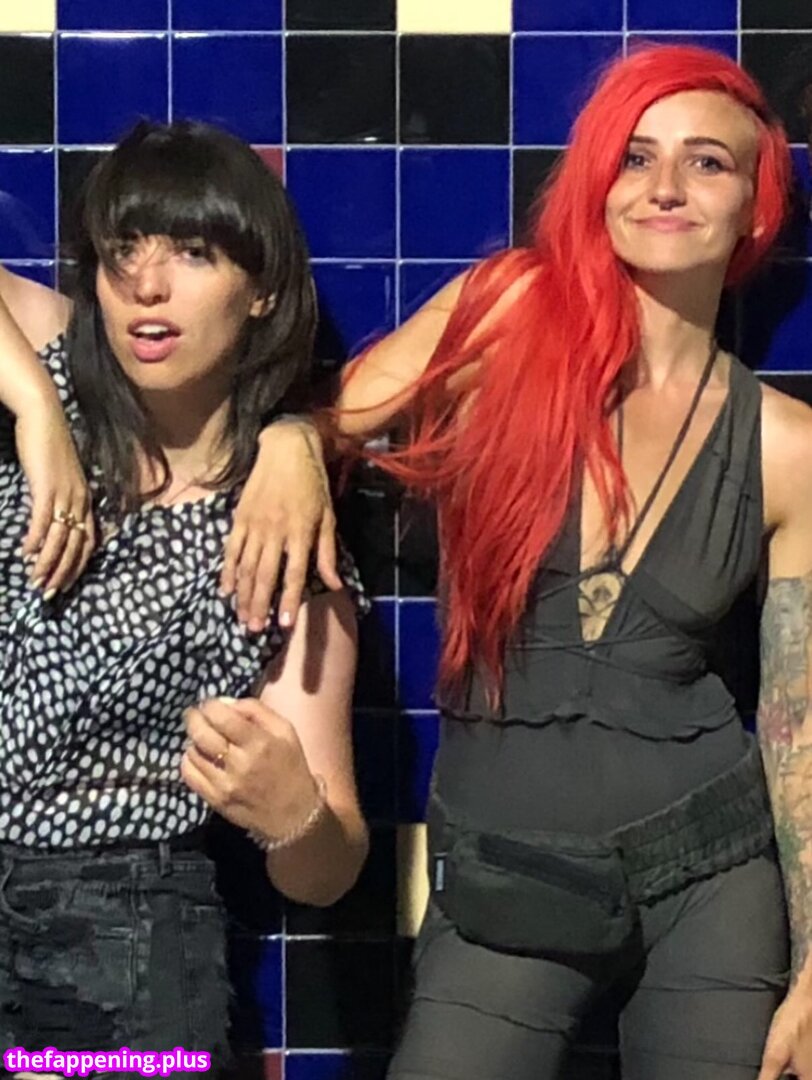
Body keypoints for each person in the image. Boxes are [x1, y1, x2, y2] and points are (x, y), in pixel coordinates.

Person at [220, 44, 812, 1080]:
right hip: (507, 877)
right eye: (634, 157)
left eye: (707, 162)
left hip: (711, 876)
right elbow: (332, 422)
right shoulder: (509, 312)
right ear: (598, 185)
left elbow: (796, 728)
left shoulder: (785, 447)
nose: (665, 186)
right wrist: (287, 442)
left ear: (754, 208)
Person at [0, 119, 368, 1066]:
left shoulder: (280, 536)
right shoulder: (49, 374)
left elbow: (330, 867)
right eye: (125, 249)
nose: (147, 285)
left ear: (262, 290)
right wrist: (34, 414)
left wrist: (292, 814)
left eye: (194, 253)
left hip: (120, 941)